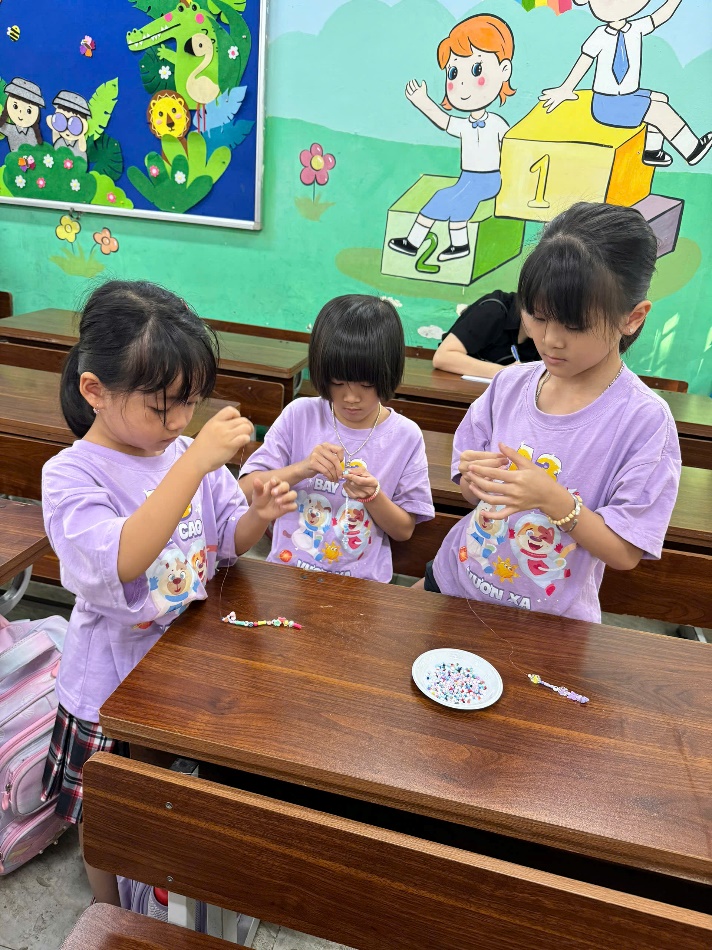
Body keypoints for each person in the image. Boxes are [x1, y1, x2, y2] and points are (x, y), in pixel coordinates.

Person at [40, 280, 296, 904]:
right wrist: (193, 463)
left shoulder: (183, 451)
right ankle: (106, 911)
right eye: (162, 406)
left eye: (189, 402)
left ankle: (150, 883)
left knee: (158, 794)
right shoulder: (72, 475)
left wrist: (259, 512)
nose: (180, 421)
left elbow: (227, 542)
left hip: (181, 668)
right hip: (109, 684)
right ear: (95, 392)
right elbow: (122, 559)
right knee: (106, 816)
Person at [413, 202, 681, 623]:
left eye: (573, 326)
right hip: (455, 582)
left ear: (632, 318)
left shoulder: (644, 421)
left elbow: (626, 551)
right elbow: (468, 488)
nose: (550, 340)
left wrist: (554, 500)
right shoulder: (510, 384)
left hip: (548, 622)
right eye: (537, 317)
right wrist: (475, 480)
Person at [239, 295, 434, 580]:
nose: (351, 397)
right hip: (287, 576)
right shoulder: (300, 415)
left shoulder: (405, 436)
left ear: (387, 374)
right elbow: (243, 492)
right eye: (337, 382)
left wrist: (373, 496)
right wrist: (301, 469)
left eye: (366, 385)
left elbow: (404, 530)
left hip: (361, 587)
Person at [388, 14, 515, 263]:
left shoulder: (498, 124)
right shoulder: (464, 125)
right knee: (443, 198)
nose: (463, 83)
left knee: (456, 200)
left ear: (504, 70)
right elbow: (443, 120)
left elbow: (512, 149)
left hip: (489, 180)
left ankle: (458, 245)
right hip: (468, 178)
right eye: (454, 72)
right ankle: (414, 243)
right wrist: (423, 102)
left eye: (476, 69)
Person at [541, 1, 711, 168]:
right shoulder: (599, 35)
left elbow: (660, 16)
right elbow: (585, 61)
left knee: (661, 99)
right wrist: (565, 88)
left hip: (629, 95)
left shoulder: (636, 28)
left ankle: (652, 152)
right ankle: (692, 150)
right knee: (660, 111)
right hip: (607, 103)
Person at [432, 290, 539, 378]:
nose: (545, 327)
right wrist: (504, 372)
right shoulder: (493, 310)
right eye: (539, 318)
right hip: (456, 385)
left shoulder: (550, 331)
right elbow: (442, 357)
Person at [0, 77, 44, 150]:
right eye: (15, 106)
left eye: (29, 111)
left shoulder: (32, 132)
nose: (20, 112)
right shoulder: (10, 129)